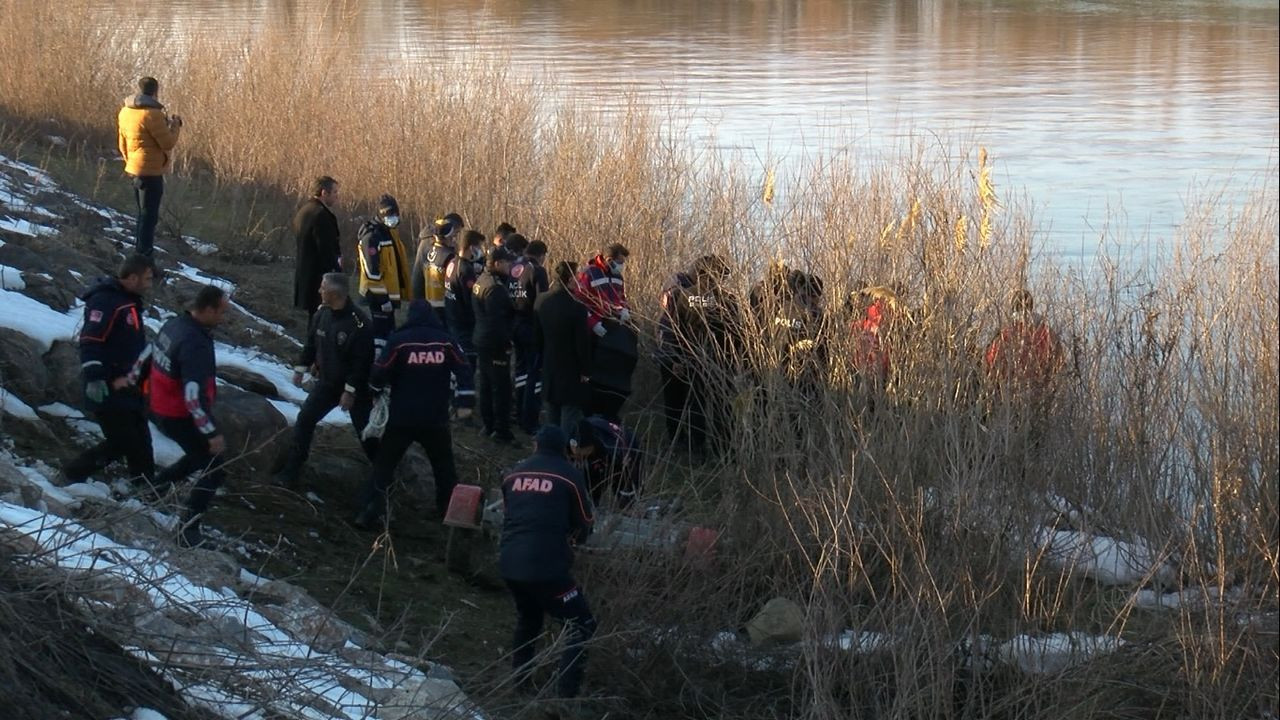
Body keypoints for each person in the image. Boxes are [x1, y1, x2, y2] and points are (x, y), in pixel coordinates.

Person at [353, 300, 473, 529]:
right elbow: (464, 369)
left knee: (384, 465)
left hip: (402, 417)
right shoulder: (446, 341)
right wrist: (465, 402)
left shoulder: (399, 340)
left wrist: (375, 392)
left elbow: (379, 371)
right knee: (444, 466)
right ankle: (449, 512)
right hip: (435, 417)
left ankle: (369, 511)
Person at [500, 425, 596, 702]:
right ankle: (565, 696)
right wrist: (574, 541)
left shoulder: (513, 474)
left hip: (509, 563)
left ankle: (519, 684)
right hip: (548, 568)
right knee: (582, 624)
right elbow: (585, 522)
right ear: (565, 448)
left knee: (529, 619)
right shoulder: (569, 476)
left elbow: (510, 515)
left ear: (535, 445)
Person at [273, 273, 377, 490]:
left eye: (323, 287)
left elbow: (361, 363)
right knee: (305, 419)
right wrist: (301, 368)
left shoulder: (359, 325)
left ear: (335, 292)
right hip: (327, 383)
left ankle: (383, 474)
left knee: (366, 434)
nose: (319, 291)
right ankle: (292, 469)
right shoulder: (322, 314)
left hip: (355, 390)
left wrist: (350, 391)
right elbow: (312, 343)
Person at [63, 254, 156, 487]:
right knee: (122, 441)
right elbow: (91, 340)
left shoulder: (129, 302)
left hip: (128, 386)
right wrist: (95, 377)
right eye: (147, 278)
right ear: (132, 278)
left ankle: (146, 491)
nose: (149, 284)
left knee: (141, 442)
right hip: (108, 385)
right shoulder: (107, 302)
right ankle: (71, 474)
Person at [149, 285, 229, 548]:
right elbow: (193, 396)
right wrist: (211, 432)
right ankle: (188, 529)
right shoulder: (194, 343)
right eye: (221, 312)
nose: (223, 318)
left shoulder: (174, 325)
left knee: (198, 456)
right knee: (215, 466)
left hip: (159, 405)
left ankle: (152, 489)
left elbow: (149, 356)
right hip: (177, 412)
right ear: (206, 310)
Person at [657, 254, 737, 454]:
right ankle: (721, 450)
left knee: (693, 406)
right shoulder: (726, 301)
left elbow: (668, 328)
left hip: (688, 359)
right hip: (715, 362)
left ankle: (693, 449)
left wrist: (673, 358)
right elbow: (736, 335)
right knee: (719, 407)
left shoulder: (681, 295)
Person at [116, 76, 182, 256]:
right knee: (148, 217)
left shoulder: (125, 112)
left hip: (134, 169)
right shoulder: (152, 115)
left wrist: (130, 161)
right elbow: (167, 143)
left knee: (142, 214)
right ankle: (144, 257)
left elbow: (122, 142)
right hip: (151, 172)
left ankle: (140, 253)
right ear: (155, 91)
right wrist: (175, 126)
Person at [575, 243, 637, 421]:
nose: (622, 265)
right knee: (591, 374)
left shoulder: (618, 277)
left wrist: (624, 310)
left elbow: (621, 298)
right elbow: (580, 304)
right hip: (594, 331)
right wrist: (593, 323)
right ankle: (588, 411)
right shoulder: (589, 273)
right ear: (609, 260)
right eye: (619, 262)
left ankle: (606, 411)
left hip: (613, 330)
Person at [534, 261, 592, 437]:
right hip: (570, 367)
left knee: (551, 412)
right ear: (570, 280)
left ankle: (549, 449)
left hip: (549, 364)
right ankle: (565, 452)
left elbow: (537, 336)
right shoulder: (577, 308)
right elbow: (582, 343)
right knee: (570, 414)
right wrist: (586, 369)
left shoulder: (541, 301)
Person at [472, 246, 518, 444]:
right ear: (498, 263)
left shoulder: (481, 280)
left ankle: (488, 424)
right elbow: (497, 321)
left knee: (486, 384)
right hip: (495, 343)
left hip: (481, 340)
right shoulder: (496, 289)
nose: (510, 266)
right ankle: (501, 431)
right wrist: (507, 343)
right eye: (508, 263)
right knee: (501, 388)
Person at [984, 289, 1064, 395]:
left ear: (1013, 307)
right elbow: (1060, 364)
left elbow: (991, 361)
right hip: (1040, 394)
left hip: (1007, 393)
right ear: (1031, 306)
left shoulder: (1005, 332)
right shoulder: (1047, 332)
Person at [357, 194, 411, 350]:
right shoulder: (372, 237)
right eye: (388, 214)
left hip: (388, 296)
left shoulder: (388, 232)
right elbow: (372, 274)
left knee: (388, 334)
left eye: (394, 214)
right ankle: (377, 367)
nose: (393, 218)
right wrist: (382, 300)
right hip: (377, 298)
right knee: (380, 338)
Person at [510, 237, 549, 434]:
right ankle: (529, 420)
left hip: (514, 323)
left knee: (521, 370)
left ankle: (517, 412)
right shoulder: (538, 271)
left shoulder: (514, 266)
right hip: (532, 327)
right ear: (541, 255)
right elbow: (543, 302)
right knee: (534, 375)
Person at [292, 176, 342, 318]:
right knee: (321, 321)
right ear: (324, 193)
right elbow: (326, 249)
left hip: (306, 274)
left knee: (314, 318)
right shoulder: (321, 215)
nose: (337, 197)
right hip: (320, 279)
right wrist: (335, 272)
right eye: (335, 192)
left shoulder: (304, 211)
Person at [571, 415, 643, 509]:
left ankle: (627, 504)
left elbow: (629, 475)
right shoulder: (572, 439)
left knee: (622, 478)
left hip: (624, 451)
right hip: (595, 446)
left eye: (581, 452)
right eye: (575, 451)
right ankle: (591, 501)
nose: (577, 454)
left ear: (591, 446)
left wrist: (627, 500)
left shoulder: (615, 449)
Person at [443, 230, 487, 369]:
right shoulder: (466, 270)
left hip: (452, 318)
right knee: (466, 364)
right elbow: (472, 299)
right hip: (464, 325)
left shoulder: (452, 262)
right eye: (479, 247)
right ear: (472, 247)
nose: (481, 250)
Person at [413, 214, 464, 324]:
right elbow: (421, 272)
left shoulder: (438, 244)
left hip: (430, 297)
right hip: (430, 298)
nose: (455, 236)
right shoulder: (432, 246)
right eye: (456, 232)